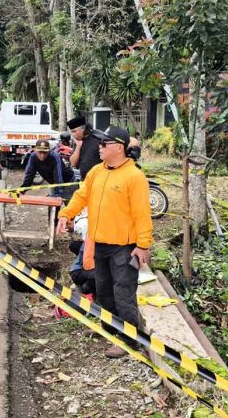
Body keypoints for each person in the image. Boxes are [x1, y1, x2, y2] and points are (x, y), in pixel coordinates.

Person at [57, 125, 153, 358]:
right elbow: (81, 196)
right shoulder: (97, 172)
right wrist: (66, 214)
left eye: (103, 144)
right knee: (105, 292)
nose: (98, 148)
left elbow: (142, 213)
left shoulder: (134, 176)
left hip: (123, 248)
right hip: (100, 245)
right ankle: (112, 332)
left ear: (119, 148)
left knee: (123, 293)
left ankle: (129, 340)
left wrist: (143, 245)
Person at [67, 116, 102, 181]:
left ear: (83, 128)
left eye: (74, 131)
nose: (73, 134)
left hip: (99, 179)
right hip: (84, 180)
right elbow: (73, 163)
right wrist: (78, 146)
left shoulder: (99, 137)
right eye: (72, 132)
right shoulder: (78, 141)